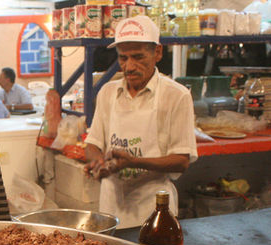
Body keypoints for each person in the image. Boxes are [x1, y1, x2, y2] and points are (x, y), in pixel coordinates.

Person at [83, 15, 197, 229]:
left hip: (154, 209)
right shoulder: (107, 92)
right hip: (111, 208)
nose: (129, 66)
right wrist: (99, 163)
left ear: (158, 53)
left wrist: (134, 162)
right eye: (123, 58)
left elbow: (181, 160)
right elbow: (93, 143)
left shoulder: (176, 95)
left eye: (138, 57)